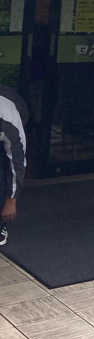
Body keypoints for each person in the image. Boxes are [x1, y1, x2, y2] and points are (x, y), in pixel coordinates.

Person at [0, 86, 27, 247]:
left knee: (3, 170)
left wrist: (12, 200)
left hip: (16, 116)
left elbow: (17, 160)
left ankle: (1, 225)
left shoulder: (8, 119)